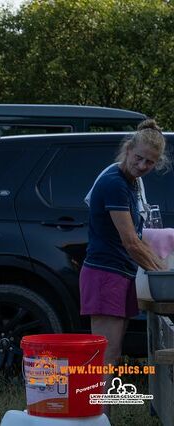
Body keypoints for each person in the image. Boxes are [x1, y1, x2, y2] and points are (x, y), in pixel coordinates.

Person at [80, 119, 169, 417]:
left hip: (120, 273)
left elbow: (138, 240)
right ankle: (95, 417)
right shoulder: (114, 183)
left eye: (150, 162)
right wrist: (161, 274)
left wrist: (158, 267)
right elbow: (131, 242)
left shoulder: (130, 183)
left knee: (112, 353)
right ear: (127, 149)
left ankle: (100, 416)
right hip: (104, 273)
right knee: (103, 355)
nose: (143, 165)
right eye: (139, 157)